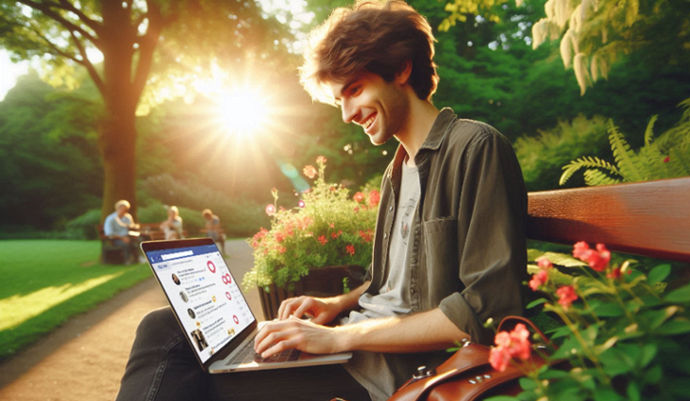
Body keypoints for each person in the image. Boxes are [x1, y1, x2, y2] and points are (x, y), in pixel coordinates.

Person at [115, 1, 526, 400]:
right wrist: (335, 305)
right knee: (167, 326)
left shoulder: (475, 148)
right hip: (353, 346)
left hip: (388, 371)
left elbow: (485, 308)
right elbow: (392, 286)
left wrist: (337, 337)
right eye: (339, 100)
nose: (347, 113)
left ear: (402, 69)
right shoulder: (398, 172)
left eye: (354, 89)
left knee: (190, 371)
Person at [103, 199, 141, 264]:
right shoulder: (110, 219)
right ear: (117, 208)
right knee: (126, 243)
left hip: (128, 236)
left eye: (126, 209)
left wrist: (134, 227)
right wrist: (122, 238)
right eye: (123, 209)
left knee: (139, 240)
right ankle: (128, 260)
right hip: (116, 239)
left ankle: (138, 259)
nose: (124, 211)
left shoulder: (127, 217)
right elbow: (110, 233)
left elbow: (131, 226)